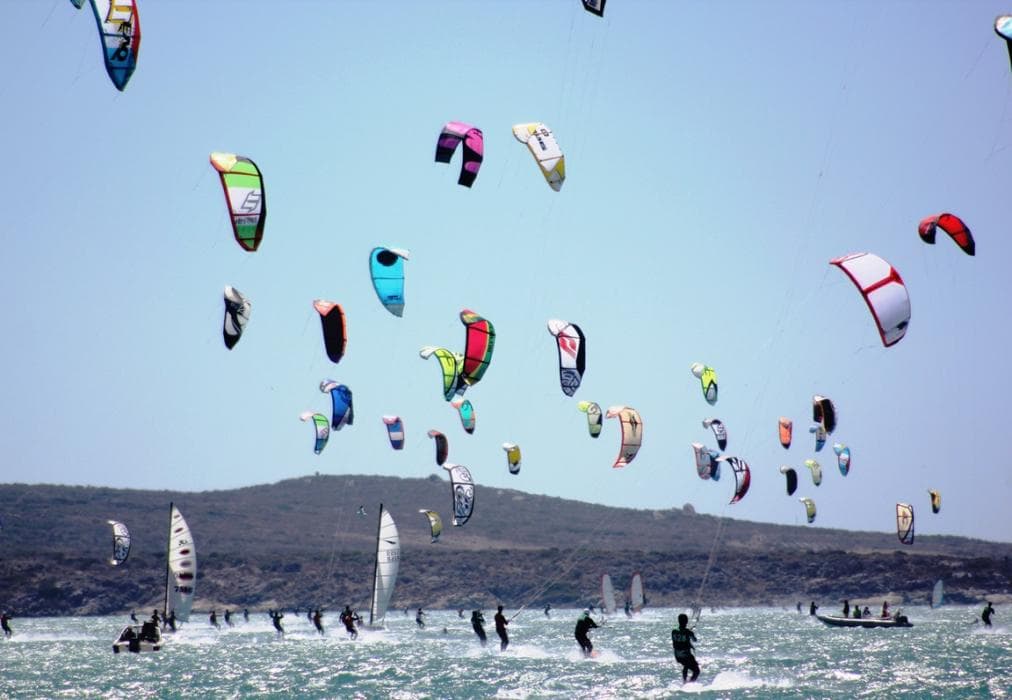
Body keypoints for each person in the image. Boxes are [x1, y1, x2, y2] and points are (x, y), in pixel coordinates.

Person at [671, 613, 700, 683]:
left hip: (677, 656)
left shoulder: (673, 631)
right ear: (686, 621)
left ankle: (684, 681)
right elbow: (695, 640)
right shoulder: (688, 632)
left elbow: (678, 641)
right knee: (696, 671)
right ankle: (689, 683)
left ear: (678, 621)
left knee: (686, 665)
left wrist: (687, 632)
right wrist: (691, 633)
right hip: (685, 655)